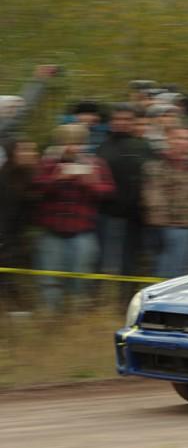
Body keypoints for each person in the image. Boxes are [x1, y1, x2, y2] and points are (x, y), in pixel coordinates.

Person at [33, 124, 115, 311]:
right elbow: (35, 189)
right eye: (67, 142)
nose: (72, 147)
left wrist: (91, 183)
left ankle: (76, 318)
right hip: (52, 230)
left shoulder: (96, 164)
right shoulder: (48, 164)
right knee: (49, 279)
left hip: (83, 230)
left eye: (77, 142)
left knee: (80, 277)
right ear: (58, 144)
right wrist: (56, 179)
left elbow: (108, 192)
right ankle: (50, 316)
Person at [95, 104, 152, 277]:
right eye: (117, 119)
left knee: (130, 262)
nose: (122, 123)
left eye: (127, 119)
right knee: (103, 260)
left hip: (136, 216)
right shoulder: (102, 147)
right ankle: (100, 299)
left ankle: (124, 298)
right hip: (107, 213)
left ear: (134, 122)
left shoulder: (143, 147)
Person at [142, 126, 188, 278]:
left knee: (185, 271)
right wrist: (165, 224)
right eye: (180, 138)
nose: (186, 143)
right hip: (169, 228)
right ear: (169, 140)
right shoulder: (156, 166)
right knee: (168, 272)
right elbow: (153, 199)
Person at [0, 138, 39, 310]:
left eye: (31, 150)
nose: (30, 154)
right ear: (12, 154)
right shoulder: (4, 179)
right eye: (23, 150)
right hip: (7, 240)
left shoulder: (34, 176)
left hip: (21, 239)